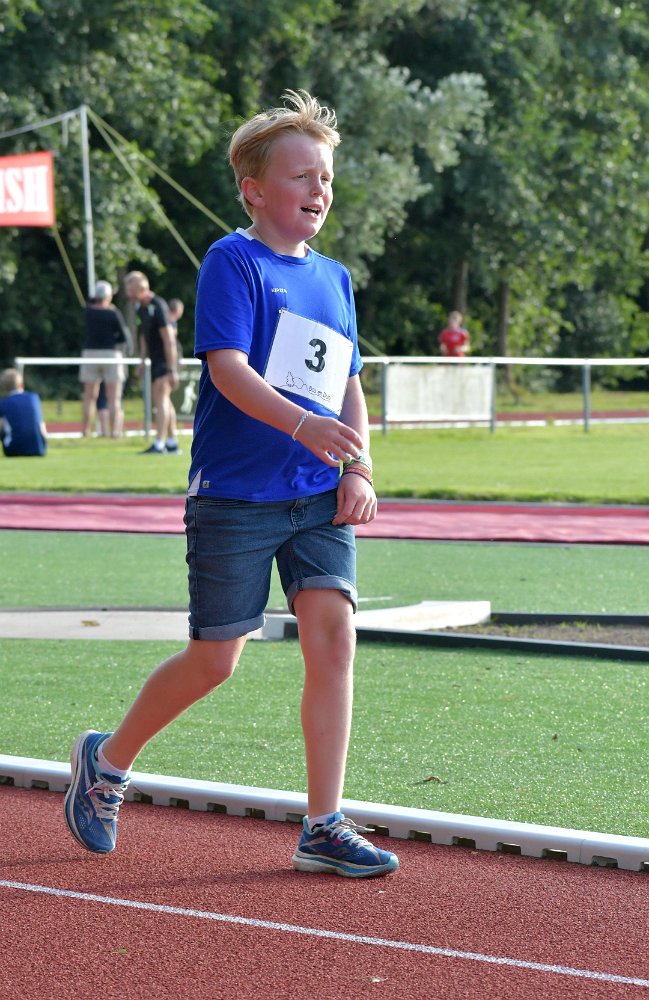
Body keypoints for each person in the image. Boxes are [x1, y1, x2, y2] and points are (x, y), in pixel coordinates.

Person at [64, 89, 399, 880]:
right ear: (254, 190)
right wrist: (304, 426)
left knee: (333, 639)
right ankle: (106, 762)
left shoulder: (335, 279)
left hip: (316, 495)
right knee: (216, 660)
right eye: (301, 176)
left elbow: (349, 383)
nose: (318, 189)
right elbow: (228, 370)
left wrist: (357, 465)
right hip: (236, 496)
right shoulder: (231, 260)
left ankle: (323, 824)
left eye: (325, 177)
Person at [125, 271, 181, 454]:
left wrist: (172, 368)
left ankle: (159, 443)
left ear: (140, 288)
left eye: (130, 289)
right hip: (156, 360)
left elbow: (169, 339)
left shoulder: (158, 305)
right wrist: (142, 360)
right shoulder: (141, 308)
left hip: (166, 360)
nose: (127, 294)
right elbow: (144, 336)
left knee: (160, 398)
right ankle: (172, 443)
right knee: (164, 400)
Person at [79, 280, 131, 438]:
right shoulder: (113, 313)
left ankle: (86, 431)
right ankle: (115, 432)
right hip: (111, 354)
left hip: (90, 354)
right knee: (114, 397)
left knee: (89, 396)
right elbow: (122, 337)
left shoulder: (88, 312)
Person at [0, 368, 47, 457]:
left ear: (4, 388)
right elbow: (41, 426)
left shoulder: (3, 403)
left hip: (13, 450)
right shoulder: (34, 398)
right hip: (39, 448)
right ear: (21, 385)